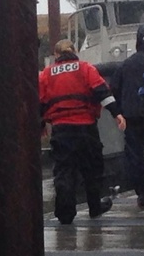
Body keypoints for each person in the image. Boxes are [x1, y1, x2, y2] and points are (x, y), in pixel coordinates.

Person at [39, 39, 126, 225]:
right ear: (75, 51)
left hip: (61, 129)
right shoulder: (85, 68)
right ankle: (94, 207)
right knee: (92, 169)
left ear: (56, 55)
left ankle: (65, 212)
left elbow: (40, 102)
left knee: (64, 170)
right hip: (86, 127)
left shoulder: (46, 75)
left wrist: (40, 126)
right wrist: (117, 113)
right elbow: (102, 92)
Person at [110, 24, 144, 208]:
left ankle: (142, 193)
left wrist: (120, 109)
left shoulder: (126, 64)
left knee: (135, 155)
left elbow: (114, 87)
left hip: (132, 115)